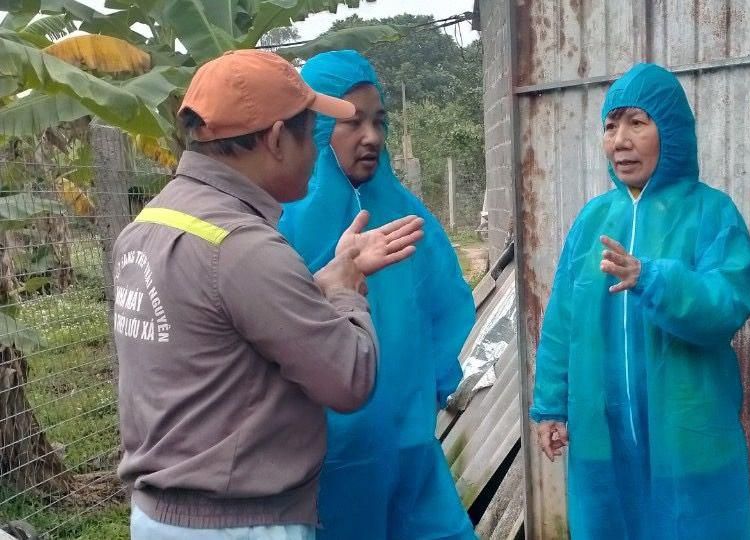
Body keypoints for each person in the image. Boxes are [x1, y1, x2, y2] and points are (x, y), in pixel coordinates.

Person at [113, 49, 424, 539]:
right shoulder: (243, 247)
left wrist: (324, 277)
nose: (317, 150)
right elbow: (349, 378)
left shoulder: (150, 225)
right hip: (240, 523)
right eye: (312, 135)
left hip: (160, 516)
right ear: (278, 139)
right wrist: (346, 290)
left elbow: (224, 325)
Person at [530, 63, 750, 539]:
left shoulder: (710, 212)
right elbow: (561, 322)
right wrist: (551, 406)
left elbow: (727, 304)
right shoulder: (594, 220)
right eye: (611, 126)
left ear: (670, 131)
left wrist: (652, 278)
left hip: (686, 432)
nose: (620, 140)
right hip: (603, 433)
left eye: (638, 122)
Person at [278, 50, 477, 540]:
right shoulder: (281, 223)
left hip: (407, 447)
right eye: (353, 122)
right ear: (316, 127)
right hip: (322, 459)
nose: (372, 137)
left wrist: (422, 395)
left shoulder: (409, 219)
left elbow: (446, 311)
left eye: (379, 121)